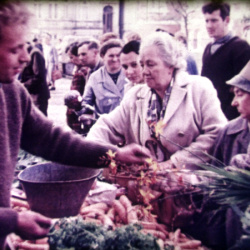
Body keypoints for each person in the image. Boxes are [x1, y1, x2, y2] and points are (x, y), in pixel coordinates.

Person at [0, 3, 152, 249]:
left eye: (25, 47)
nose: (26, 57)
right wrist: (12, 219)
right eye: (15, 49)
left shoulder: (12, 92)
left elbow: (53, 140)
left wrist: (114, 154)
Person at [87, 31, 227, 173]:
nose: (145, 71)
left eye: (151, 64)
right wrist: (88, 155)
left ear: (171, 65)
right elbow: (106, 126)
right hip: (148, 186)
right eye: (142, 64)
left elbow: (217, 133)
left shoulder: (198, 88)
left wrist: (173, 163)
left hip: (190, 183)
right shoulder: (135, 95)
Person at [206, 60, 250, 249]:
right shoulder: (229, 133)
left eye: (240, 94)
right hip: (233, 231)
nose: (233, 102)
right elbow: (215, 187)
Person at [201, 2, 250, 120]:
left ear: (226, 20)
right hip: (209, 115)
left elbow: (243, 89)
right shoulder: (208, 48)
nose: (209, 25)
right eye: (206, 21)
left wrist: (229, 119)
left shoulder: (240, 47)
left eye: (214, 20)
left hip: (231, 117)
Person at [80, 38, 128, 118]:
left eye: (118, 55)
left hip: (127, 124)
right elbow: (86, 102)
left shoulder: (130, 74)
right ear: (102, 56)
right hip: (105, 125)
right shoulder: (95, 77)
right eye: (111, 56)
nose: (115, 59)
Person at [20, 43, 50, 116]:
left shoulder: (35, 53)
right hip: (34, 94)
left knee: (40, 119)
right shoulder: (31, 53)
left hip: (38, 95)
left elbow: (38, 76)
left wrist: (24, 84)